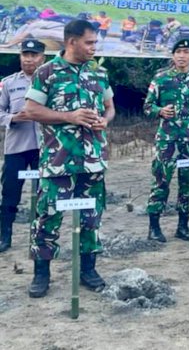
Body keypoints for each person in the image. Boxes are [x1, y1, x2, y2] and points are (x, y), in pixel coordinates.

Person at [23, 19, 115, 297]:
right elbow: (32, 110)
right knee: (47, 217)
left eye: (95, 43)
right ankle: (41, 274)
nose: (93, 48)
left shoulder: (98, 73)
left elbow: (111, 108)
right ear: (71, 41)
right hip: (58, 161)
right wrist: (68, 117)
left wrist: (104, 121)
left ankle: (88, 269)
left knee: (91, 218)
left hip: (93, 161)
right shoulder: (47, 72)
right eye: (89, 42)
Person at [143, 39, 189, 242]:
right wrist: (159, 110)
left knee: (188, 183)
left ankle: (183, 226)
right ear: (173, 56)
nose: (182, 56)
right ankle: (154, 227)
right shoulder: (161, 79)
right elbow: (147, 107)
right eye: (178, 52)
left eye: (186, 51)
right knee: (161, 181)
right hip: (167, 140)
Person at [0, 39, 45, 252]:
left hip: (43, 149)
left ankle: (40, 237)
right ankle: (4, 236)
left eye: (34, 55)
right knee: (10, 194)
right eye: (25, 54)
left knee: (43, 195)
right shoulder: (8, 83)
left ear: (42, 57)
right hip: (16, 148)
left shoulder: (50, 82)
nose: (29, 59)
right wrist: (14, 118)